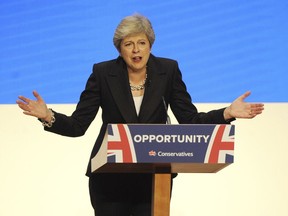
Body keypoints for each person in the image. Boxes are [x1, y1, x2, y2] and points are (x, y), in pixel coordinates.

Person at [16, 14, 264, 216]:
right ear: (120, 49)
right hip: (109, 178)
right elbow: (79, 124)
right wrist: (48, 115)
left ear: (150, 44)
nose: (136, 50)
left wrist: (227, 113)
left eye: (142, 43)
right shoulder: (103, 73)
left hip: (153, 178)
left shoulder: (168, 70)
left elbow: (190, 120)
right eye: (128, 44)